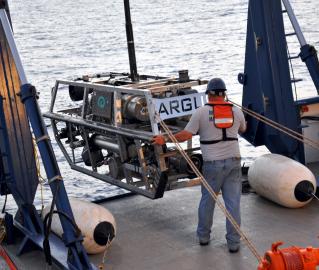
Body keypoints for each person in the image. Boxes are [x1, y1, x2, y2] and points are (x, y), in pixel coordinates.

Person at [152, 78, 246, 253]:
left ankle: (203, 237)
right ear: (224, 93)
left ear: (208, 94)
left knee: (207, 201)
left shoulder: (201, 112)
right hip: (234, 161)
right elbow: (243, 129)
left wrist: (163, 138)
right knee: (233, 204)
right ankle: (234, 243)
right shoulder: (236, 111)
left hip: (213, 165)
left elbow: (186, 135)